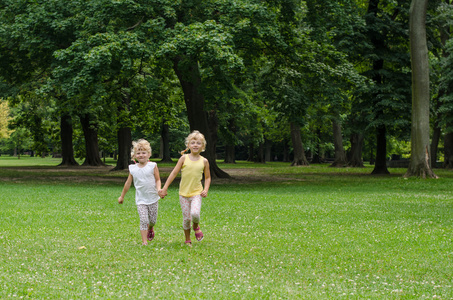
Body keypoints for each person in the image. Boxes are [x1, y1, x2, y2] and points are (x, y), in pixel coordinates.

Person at [159, 130, 211, 246]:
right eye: (193, 143)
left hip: (196, 193)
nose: (195, 145)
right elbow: (173, 173)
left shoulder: (204, 161)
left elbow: (207, 178)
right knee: (186, 218)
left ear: (202, 146)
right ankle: (188, 239)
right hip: (183, 194)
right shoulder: (183, 159)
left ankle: (196, 226)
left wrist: (206, 189)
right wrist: (165, 188)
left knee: (195, 214)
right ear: (188, 145)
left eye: (198, 143)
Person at [118, 139, 161, 246]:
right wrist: (122, 196)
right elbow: (128, 183)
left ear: (148, 154)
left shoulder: (153, 166)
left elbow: (157, 179)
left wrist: (159, 189)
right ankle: (144, 242)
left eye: (143, 152)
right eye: (138, 153)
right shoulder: (132, 168)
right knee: (143, 220)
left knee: (152, 221)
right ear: (134, 155)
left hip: (153, 198)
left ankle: (151, 228)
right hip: (141, 200)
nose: (141, 155)